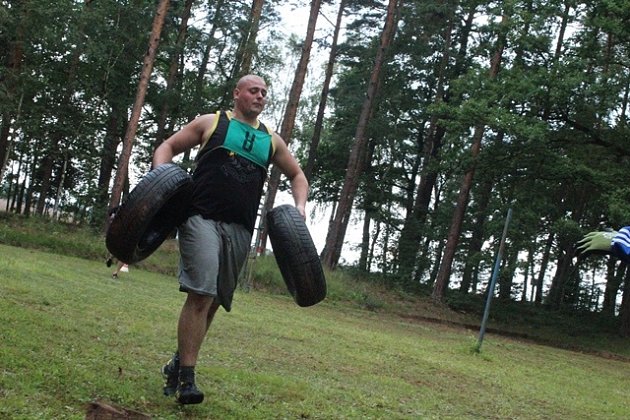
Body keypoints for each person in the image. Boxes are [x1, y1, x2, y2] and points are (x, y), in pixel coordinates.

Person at [152, 74, 308, 405]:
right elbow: (167, 147)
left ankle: (177, 363)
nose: (260, 96)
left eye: (265, 92)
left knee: (215, 300)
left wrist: (300, 208)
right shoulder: (212, 123)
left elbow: (297, 175)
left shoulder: (271, 140)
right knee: (201, 293)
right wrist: (159, 183)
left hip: (240, 229)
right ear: (237, 93)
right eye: (254, 90)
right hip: (200, 218)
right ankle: (187, 381)